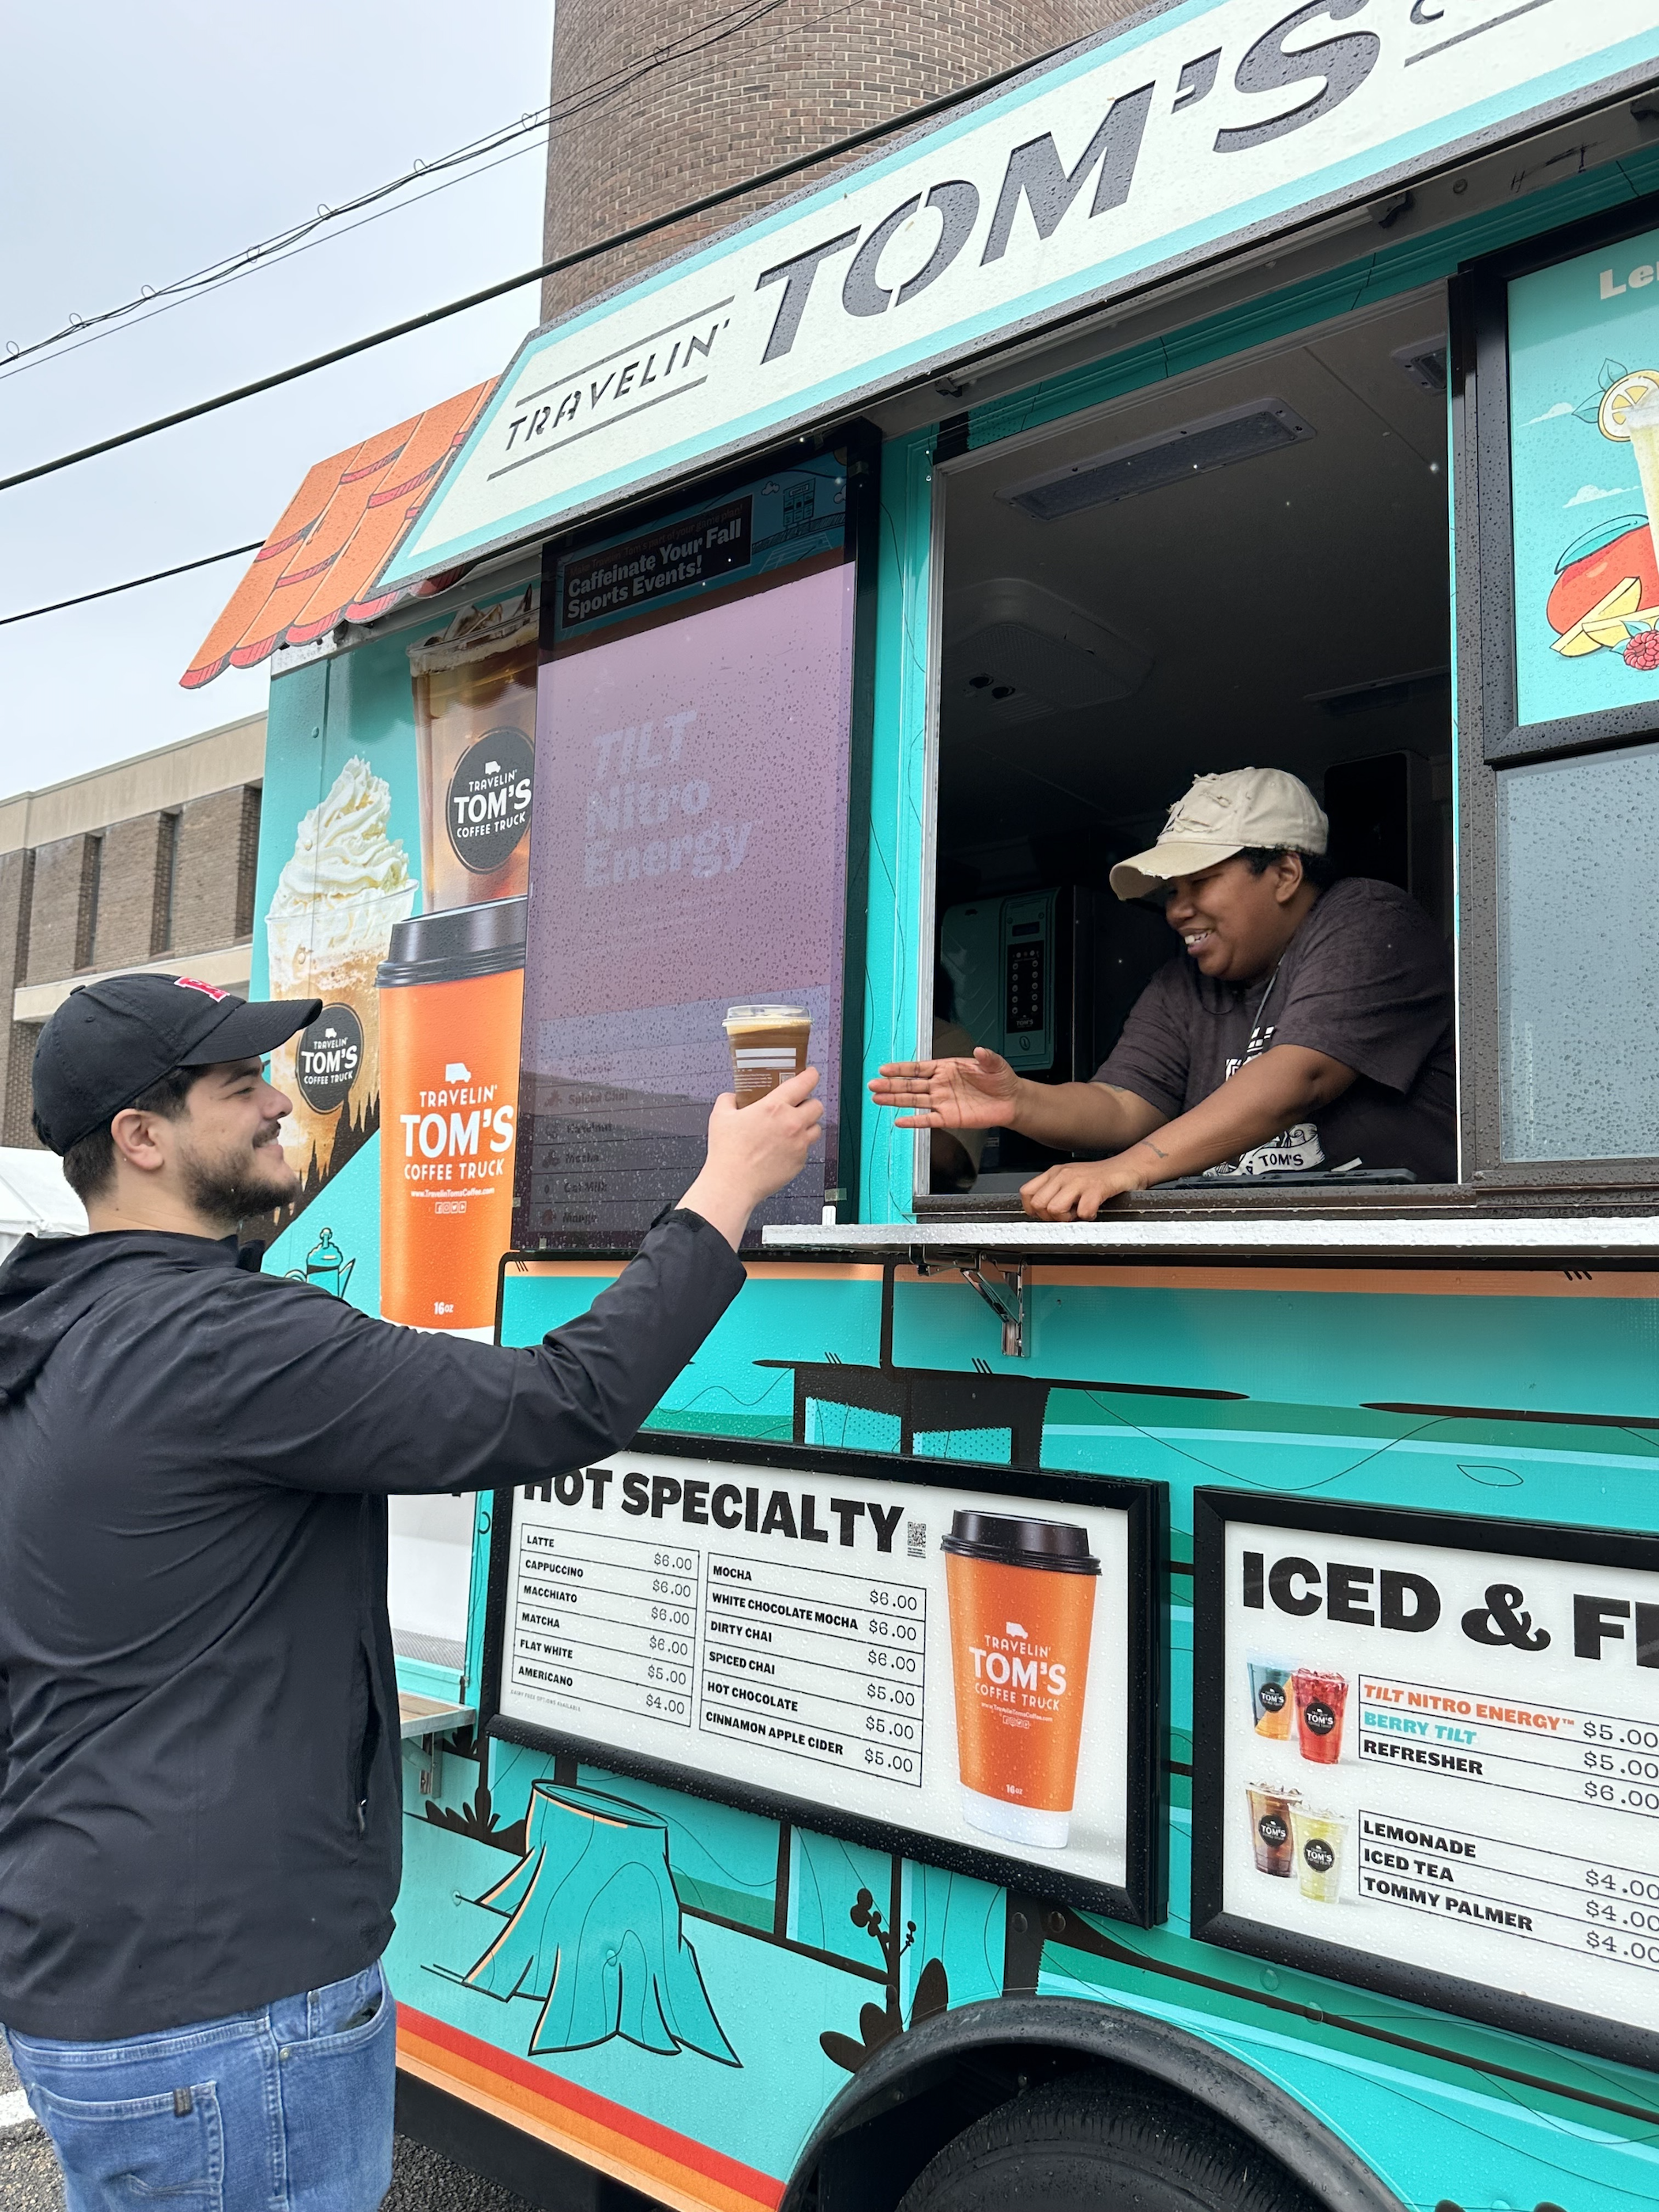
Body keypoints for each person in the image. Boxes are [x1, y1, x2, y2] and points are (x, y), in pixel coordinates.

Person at [0, 971, 822, 2212]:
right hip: (227, 2012)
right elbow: (564, 1400)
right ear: (141, 1137)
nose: (282, 1104)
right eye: (241, 1088)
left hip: (87, 1972)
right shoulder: (227, 1344)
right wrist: (727, 1190)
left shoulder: (49, 1332)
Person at [871, 767, 1454, 1219]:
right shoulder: (1185, 982)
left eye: (1200, 882)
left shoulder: (1367, 917)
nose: (1177, 910)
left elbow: (1300, 1078)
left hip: (1399, 1267)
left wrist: (1129, 1170)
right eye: (1172, 890)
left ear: (1284, 874)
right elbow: (1124, 1106)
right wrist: (1021, 1101)